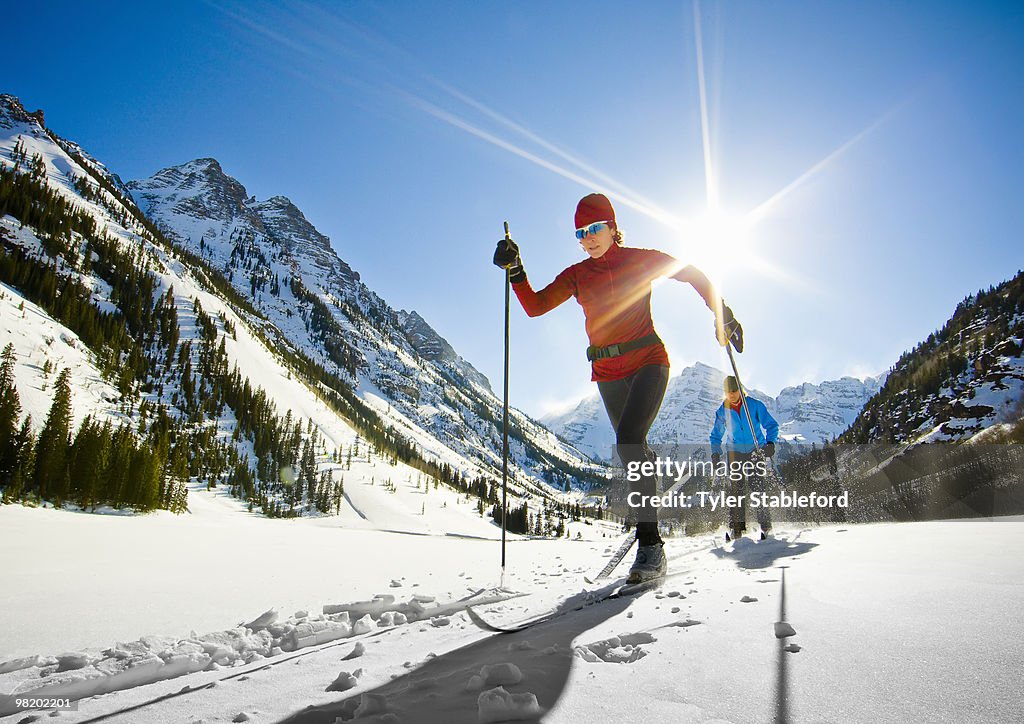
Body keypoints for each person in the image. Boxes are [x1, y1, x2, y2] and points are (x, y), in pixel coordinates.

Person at [493, 192, 743, 583]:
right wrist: (517, 269)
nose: (588, 237)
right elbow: (535, 306)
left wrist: (721, 311)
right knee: (634, 449)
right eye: (580, 232)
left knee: (628, 438)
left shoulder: (640, 260)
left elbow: (692, 272)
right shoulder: (577, 275)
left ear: (612, 227)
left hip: (648, 361)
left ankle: (651, 547)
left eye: (594, 228)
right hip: (607, 373)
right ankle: (648, 479)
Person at [709, 375, 779, 542]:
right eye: (728, 392)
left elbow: (771, 425)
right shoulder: (722, 411)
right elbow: (716, 435)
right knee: (736, 490)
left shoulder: (753, 406)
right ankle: (737, 528)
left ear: (740, 390)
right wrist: (715, 453)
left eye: (734, 391)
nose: (732, 395)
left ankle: (765, 525)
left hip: (756, 450)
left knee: (757, 488)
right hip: (735, 453)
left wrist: (770, 443)